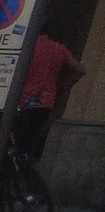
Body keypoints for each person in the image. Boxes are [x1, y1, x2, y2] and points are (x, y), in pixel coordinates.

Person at [15, 20, 86, 162]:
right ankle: (24, 170)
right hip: (45, 102)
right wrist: (62, 87)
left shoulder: (26, 47)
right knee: (31, 140)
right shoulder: (58, 48)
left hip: (21, 102)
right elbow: (80, 69)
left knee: (15, 141)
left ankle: (11, 171)